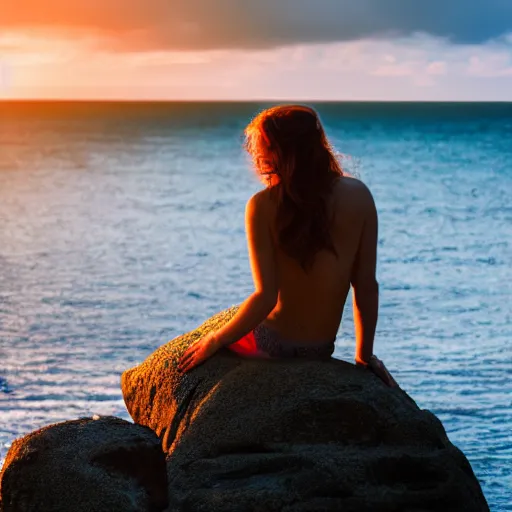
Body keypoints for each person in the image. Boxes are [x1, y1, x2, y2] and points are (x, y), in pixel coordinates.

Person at [178, 105, 396, 387]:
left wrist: (215, 340)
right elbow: (366, 286)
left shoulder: (263, 205)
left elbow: (265, 297)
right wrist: (364, 356)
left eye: (261, 146)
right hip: (319, 349)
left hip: (273, 346)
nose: (256, 154)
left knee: (219, 326)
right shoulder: (359, 195)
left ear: (279, 150)